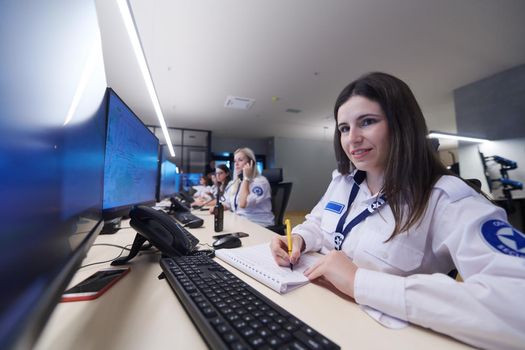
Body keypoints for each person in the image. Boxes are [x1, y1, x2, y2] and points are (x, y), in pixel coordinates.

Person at [270, 72, 525, 349]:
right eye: (344, 128)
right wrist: (299, 238)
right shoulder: (343, 182)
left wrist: (359, 282)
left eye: (367, 122)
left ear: (402, 124)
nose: (352, 139)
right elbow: (318, 222)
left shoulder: (446, 198)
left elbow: (517, 303)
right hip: (317, 315)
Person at [223, 147, 274, 227]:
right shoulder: (236, 182)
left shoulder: (260, 182)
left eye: (240, 160)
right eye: (235, 161)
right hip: (240, 222)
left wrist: (246, 178)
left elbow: (243, 204)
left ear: (250, 163)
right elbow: (228, 203)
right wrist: (217, 208)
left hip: (259, 225)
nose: (236, 164)